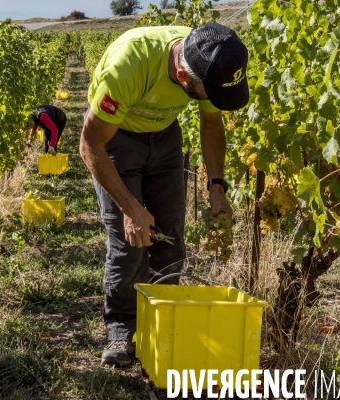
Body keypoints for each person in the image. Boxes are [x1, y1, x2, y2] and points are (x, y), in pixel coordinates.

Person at [79, 23, 250, 367]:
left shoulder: (210, 55)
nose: (212, 99)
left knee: (169, 237)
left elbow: (212, 125)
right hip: (115, 139)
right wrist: (130, 209)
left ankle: (164, 325)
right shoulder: (129, 66)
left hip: (165, 136)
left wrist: (217, 185)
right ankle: (121, 330)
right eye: (208, 92)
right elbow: (89, 144)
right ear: (184, 76)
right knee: (130, 241)